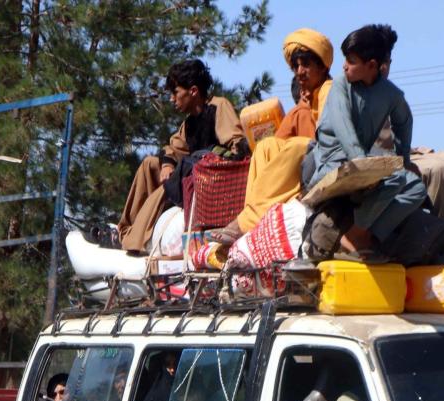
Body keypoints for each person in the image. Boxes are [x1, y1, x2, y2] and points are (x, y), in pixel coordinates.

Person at [310, 24, 427, 258]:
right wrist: (365, 167)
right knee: (392, 181)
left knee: (416, 187)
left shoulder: (391, 94)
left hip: (361, 164)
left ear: (371, 66)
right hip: (333, 164)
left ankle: (362, 233)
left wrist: (403, 158)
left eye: (351, 60)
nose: (344, 66)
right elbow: (345, 129)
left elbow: (404, 121)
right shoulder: (340, 87)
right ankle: (356, 235)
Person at [210, 29, 335, 244]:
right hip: (312, 158)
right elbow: (281, 137)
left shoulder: (329, 90)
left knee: (298, 145)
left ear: (323, 66)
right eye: (295, 66)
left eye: (306, 64)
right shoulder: (309, 98)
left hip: (329, 158)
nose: (299, 71)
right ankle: (252, 215)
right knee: (266, 146)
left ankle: (247, 222)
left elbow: (326, 137)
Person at [115, 59, 248, 253]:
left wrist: (211, 161)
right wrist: (167, 164)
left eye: (175, 92)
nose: (171, 99)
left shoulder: (218, 107)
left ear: (193, 91)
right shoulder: (189, 123)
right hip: (191, 176)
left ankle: (133, 240)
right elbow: (173, 147)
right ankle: (125, 229)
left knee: (169, 185)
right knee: (150, 164)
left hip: (211, 184)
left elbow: (237, 145)